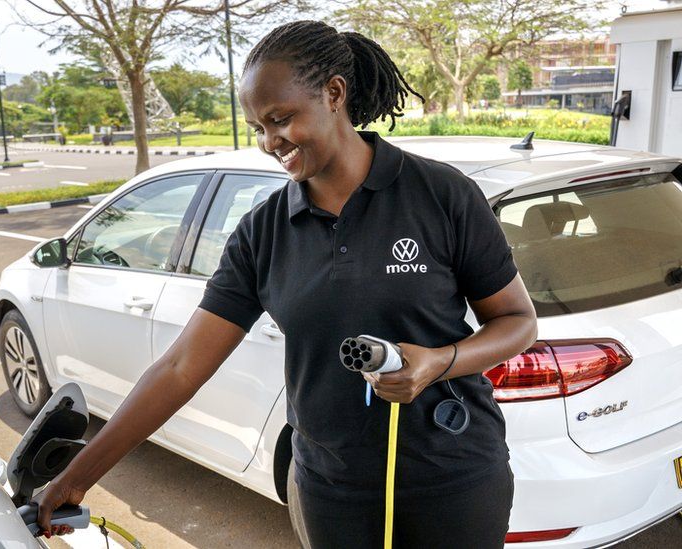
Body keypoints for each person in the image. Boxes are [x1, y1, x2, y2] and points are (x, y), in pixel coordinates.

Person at [35, 20, 537, 548]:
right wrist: (75, 478)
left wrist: (440, 363)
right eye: (257, 126)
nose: (270, 142)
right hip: (330, 489)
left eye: (280, 119)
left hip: (453, 478)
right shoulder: (263, 232)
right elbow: (182, 367)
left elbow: (518, 322)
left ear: (334, 93)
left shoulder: (441, 194)